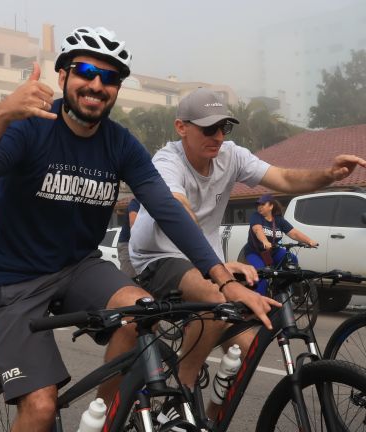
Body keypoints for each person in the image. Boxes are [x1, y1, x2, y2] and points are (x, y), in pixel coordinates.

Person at [0, 26, 276, 432]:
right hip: (15, 278)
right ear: (64, 76)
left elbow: (168, 211)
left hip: (78, 268)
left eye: (111, 77)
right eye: (86, 70)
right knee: (40, 408)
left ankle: (103, 419)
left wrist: (225, 282)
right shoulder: (29, 127)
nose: (97, 84)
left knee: (142, 312)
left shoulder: (119, 143)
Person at [129, 87, 366, 420]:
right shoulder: (167, 161)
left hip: (207, 263)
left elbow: (281, 176)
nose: (218, 136)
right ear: (181, 127)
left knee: (246, 351)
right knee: (215, 295)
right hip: (159, 257)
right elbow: (177, 212)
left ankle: (209, 420)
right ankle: (177, 403)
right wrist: (217, 267)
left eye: (224, 127)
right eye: (208, 128)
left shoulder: (232, 155)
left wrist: (329, 175)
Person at [244, 193, 319, 295]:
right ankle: (260, 301)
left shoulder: (279, 220)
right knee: (262, 274)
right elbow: (258, 230)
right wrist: (265, 241)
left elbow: (293, 233)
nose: (259, 207)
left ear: (271, 206)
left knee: (292, 259)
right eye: (258, 205)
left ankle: (282, 286)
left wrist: (309, 241)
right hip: (255, 252)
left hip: (273, 251)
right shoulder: (256, 216)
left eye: (262, 204)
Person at [116, 197, 140, 277]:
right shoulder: (136, 202)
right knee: (129, 277)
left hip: (142, 245)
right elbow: (134, 225)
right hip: (127, 244)